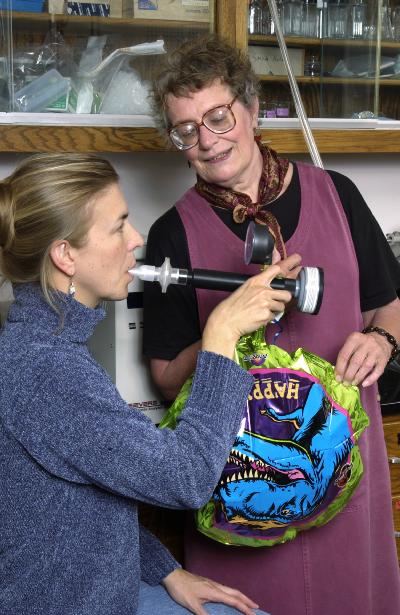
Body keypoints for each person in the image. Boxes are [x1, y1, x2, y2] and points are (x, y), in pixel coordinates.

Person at [142, 35, 400, 615]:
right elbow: (164, 376)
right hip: (242, 479)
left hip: (340, 460)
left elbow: (391, 304)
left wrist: (381, 337)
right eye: (187, 130)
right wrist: (225, 331)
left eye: (218, 116)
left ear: (252, 110)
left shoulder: (338, 194)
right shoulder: (171, 235)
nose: (208, 140)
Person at [0, 153, 295, 615]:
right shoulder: (45, 370)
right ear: (65, 255)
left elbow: (80, 498)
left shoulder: (45, 344)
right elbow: (188, 478)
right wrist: (219, 338)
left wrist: (165, 569)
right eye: (118, 227)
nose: (136, 239)